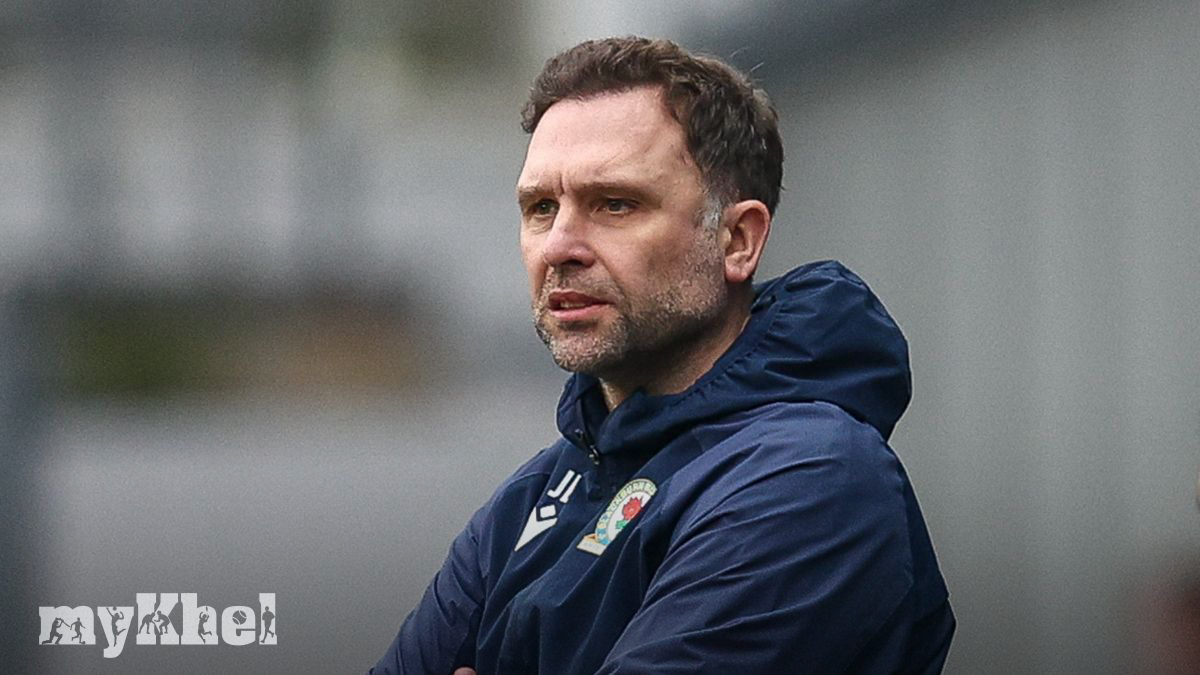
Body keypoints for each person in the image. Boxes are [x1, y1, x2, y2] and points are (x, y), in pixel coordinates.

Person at [370, 36, 954, 674]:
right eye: (541, 208)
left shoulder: (812, 479)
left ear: (737, 239)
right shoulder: (534, 494)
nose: (559, 246)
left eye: (615, 204)